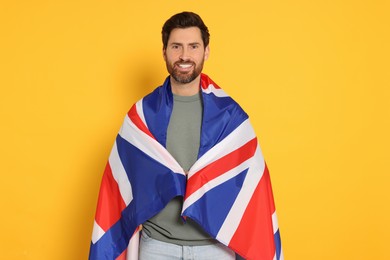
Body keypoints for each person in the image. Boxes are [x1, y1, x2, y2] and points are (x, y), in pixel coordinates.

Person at [89, 12, 282, 260]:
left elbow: (254, 190)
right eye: (176, 46)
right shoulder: (141, 116)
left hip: (216, 248)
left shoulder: (231, 117)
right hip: (157, 246)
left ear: (206, 51)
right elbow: (117, 191)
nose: (184, 56)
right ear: (165, 52)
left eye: (193, 46)